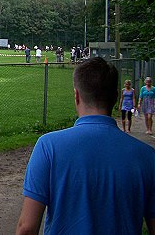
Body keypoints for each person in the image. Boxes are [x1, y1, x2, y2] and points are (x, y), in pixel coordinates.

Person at [16, 57, 155, 235]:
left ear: (76, 95)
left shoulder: (48, 146)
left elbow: (27, 228)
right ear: (115, 97)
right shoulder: (147, 156)